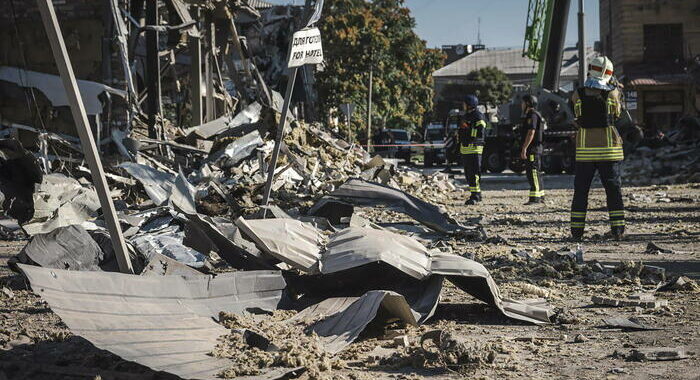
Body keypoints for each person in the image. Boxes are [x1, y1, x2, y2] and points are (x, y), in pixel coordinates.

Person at [570, 56, 626, 241]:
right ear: (609, 74)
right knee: (613, 190)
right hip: (609, 150)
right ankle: (617, 230)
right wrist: (616, 88)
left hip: (585, 151)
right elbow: (617, 114)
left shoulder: (578, 94)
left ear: (590, 70)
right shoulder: (613, 93)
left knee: (581, 191)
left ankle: (576, 232)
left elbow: (576, 116)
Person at [458, 95, 487, 205]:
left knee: (474, 173)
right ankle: (474, 193)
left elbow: (480, 131)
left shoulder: (478, 116)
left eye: (465, 103)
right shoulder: (466, 116)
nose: (463, 105)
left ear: (470, 104)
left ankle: (476, 196)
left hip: (474, 148)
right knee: (468, 174)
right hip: (465, 149)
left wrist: (469, 133)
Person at [519, 94, 545, 204]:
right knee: (536, 172)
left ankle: (535, 198)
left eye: (523, 103)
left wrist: (524, 148)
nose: (521, 105)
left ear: (528, 103)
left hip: (533, 148)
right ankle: (541, 195)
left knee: (532, 172)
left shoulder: (532, 115)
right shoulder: (535, 114)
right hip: (536, 148)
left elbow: (531, 132)